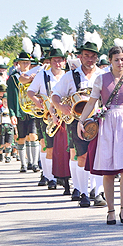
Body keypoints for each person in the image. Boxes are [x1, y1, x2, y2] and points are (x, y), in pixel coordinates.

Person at [76, 46, 123, 225]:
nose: (120, 63)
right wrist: (81, 121)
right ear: (110, 61)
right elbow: (91, 103)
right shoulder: (101, 79)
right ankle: (111, 211)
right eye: (116, 60)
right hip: (107, 123)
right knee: (108, 168)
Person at [53, 41, 105, 208]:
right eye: (86, 56)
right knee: (81, 156)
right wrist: (61, 107)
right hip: (77, 121)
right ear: (80, 57)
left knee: (98, 156)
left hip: (98, 119)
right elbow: (55, 95)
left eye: (93, 56)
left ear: (97, 57)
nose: (90, 59)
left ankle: (98, 192)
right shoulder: (70, 76)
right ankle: (83, 192)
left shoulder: (103, 74)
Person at [28, 48, 69, 194]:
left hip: (64, 115)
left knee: (64, 148)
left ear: (64, 61)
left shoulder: (67, 75)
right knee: (48, 146)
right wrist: (37, 101)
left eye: (60, 60)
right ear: (50, 62)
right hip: (46, 114)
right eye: (55, 60)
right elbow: (30, 91)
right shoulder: (42, 75)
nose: (58, 63)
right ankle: (49, 177)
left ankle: (61, 176)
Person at [7, 52, 38, 172]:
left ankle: (34, 163)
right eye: (23, 62)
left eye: (27, 62)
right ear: (18, 63)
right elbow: (10, 97)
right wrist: (12, 113)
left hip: (32, 110)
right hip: (20, 111)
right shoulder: (13, 78)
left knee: (33, 136)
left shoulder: (35, 76)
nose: (25, 64)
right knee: (21, 138)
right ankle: (23, 164)